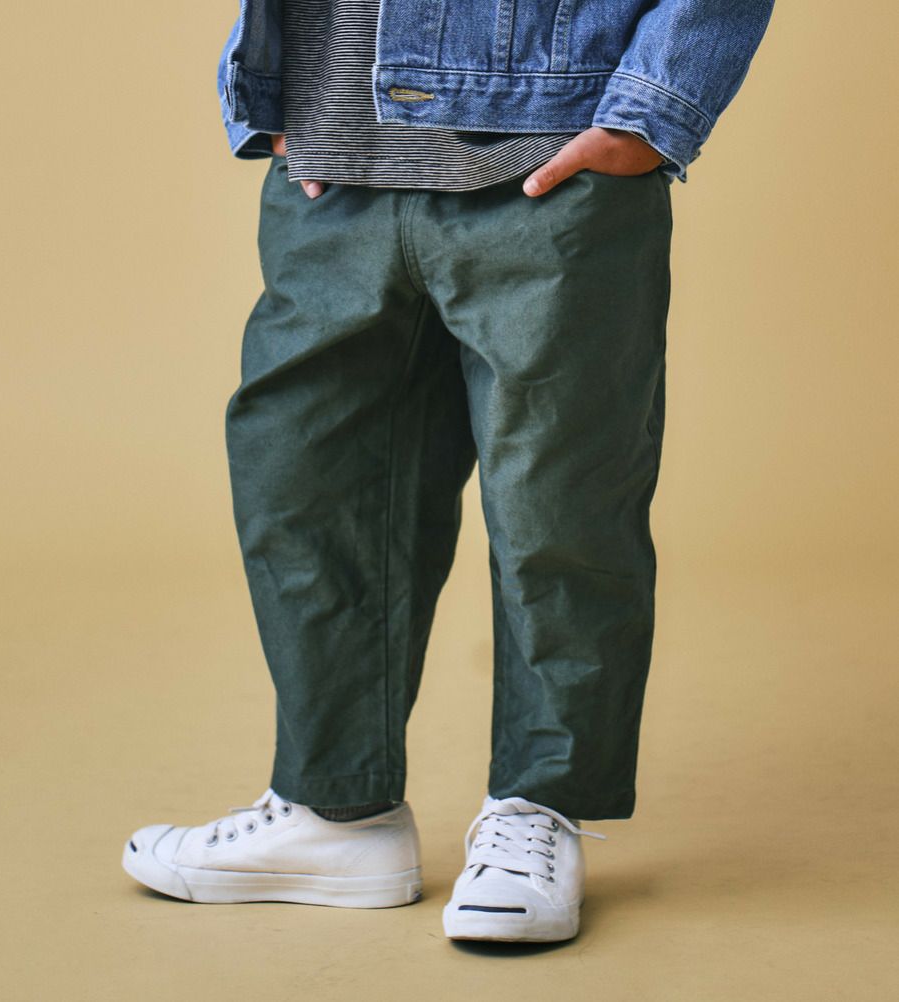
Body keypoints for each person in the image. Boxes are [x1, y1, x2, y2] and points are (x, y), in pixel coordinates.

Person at [122, 0, 776, 943]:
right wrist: (271, 90)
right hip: (334, 160)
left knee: (559, 505)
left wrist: (653, 110)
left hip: (545, 157)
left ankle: (536, 810)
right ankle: (335, 812)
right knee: (304, 484)